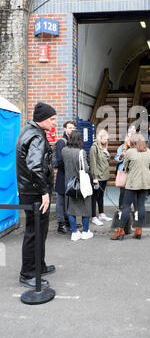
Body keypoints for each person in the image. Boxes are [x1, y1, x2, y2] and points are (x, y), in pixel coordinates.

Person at [16, 101, 57, 288]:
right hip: (35, 193)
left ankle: (38, 266)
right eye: (52, 119)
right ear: (42, 119)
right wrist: (44, 192)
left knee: (38, 231)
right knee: (34, 232)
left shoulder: (28, 131)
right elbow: (35, 166)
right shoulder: (37, 136)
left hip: (29, 190)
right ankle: (28, 273)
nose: (54, 123)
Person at [110, 133, 150, 240]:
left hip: (133, 182)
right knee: (141, 206)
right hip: (145, 181)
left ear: (133, 142)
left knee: (126, 206)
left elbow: (125, 166)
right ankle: (139, 230)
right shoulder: (148, 151)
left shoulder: (129, 152)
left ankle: (120, 231)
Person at [62, 130, 93, 241]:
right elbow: (85, 168)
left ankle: (74, 232)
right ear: (79, 140)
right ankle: (85, 232)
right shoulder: (81, 152)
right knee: (86, 208)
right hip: (81, 185)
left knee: (71, 209)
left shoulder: (64, 150)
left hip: (69, 184)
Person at [55, 120, 76, 234]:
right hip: (63, 176)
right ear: (65, 129)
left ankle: (68, 221)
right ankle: (61, 224)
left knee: (69, 200)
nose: (71, 130)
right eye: (69, 128)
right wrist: (69, 171)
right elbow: (59, 161)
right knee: (61, 201)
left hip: (70, 176)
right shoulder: (61, 142)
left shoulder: (72, 142)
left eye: (73, 128)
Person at [89, 129, 112, 226]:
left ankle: (101, 214)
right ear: (100, 138)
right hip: (97, 177)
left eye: (107, 139)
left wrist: (107, 154)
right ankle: (94, 217)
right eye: (105, 139)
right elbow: (93, 163)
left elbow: (107, 161)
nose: (106, 141)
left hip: (104, 176)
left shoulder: (103, 147)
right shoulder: (94, 147)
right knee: (94, 197)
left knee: (101, 196)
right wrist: (94, 177)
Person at [115, 133, 138, 221]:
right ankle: (121, 211)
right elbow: (116, 159)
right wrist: (121, 157)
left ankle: (136, 212)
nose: (129, 139)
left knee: (135, 193)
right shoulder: (121, 147)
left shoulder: (136, 147)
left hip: (133, 172)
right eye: (128, 137)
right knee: (123, 193)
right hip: (124, 172)